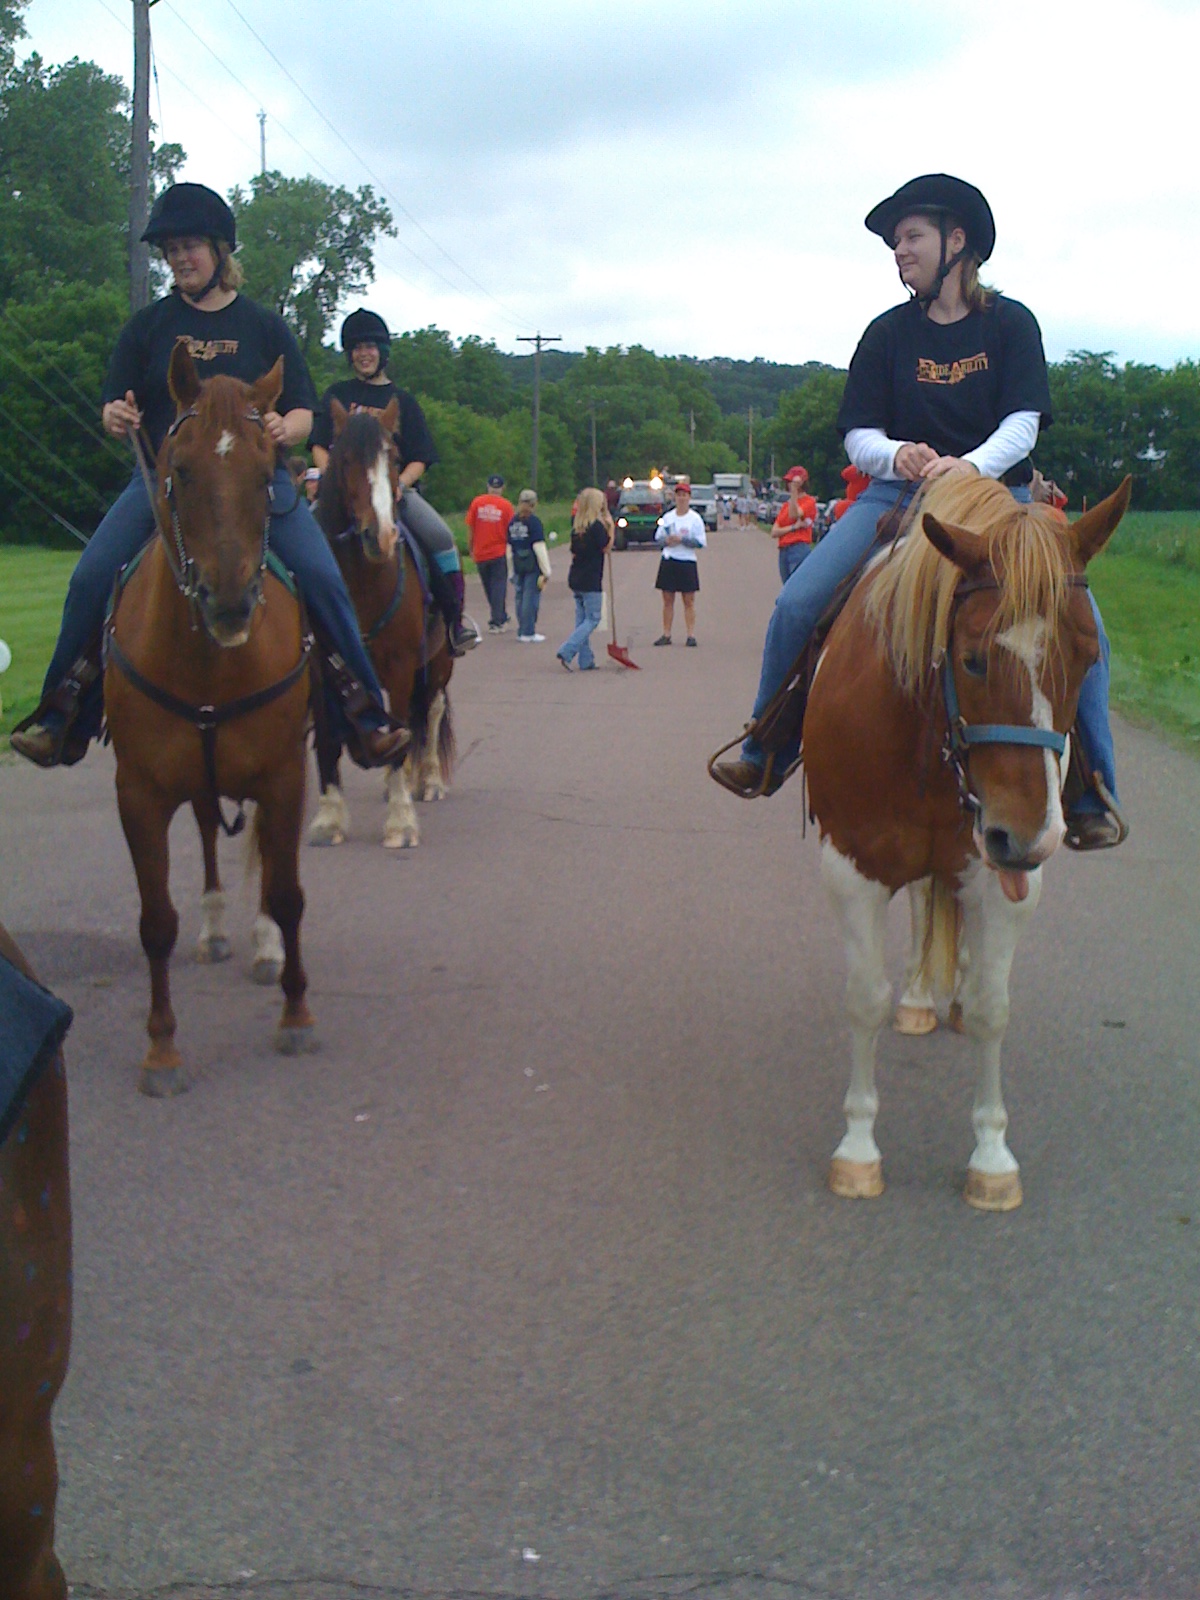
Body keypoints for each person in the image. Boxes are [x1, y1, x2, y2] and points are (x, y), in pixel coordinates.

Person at [709, 172, 1126, 850]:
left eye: (911, 237)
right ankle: (767, 743)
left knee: (1089, 634)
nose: (898, 251)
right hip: (897, 495)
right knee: (798, 602)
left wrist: (970, 466)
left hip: (1000, 502)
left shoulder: (1011, 324)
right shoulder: (887, 334)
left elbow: (1023, 424)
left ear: (956, 242)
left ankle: (1091, 789)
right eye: (896, 241)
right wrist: (896, 452)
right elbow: (857, 434)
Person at [10, 183, 405, 770]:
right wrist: (113, 416)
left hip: (257, 486)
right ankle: (61, 712)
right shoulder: (146, 327)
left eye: (190, 246)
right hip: (168, 486)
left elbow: (301, 410)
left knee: (322, 577)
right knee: (91, 575)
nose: (179, 259)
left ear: (221, 251)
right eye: (170, 250)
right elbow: (112, 404)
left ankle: (365, 715)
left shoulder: (264, 327)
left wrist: (284, 429)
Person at [310, 308, 479, 655]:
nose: (363, 354)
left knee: (441, 538)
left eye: (370, 346)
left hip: (393, 492)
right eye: (356, 348)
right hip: (343, 495)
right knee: (300, 540)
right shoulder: (335, 395)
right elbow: (317, 444)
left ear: (383, 352)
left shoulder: (402, 401)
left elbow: (420, 456)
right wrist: (330, 480)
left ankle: (453, 620)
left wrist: (399, 484)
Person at [557, 487, 613, 671]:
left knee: (582, 620)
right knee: (593, 618)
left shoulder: (577, 527)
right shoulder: (596, 527)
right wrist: (610, 527)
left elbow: (574, 552)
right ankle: (567, 649)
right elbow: (606, 546)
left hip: (577, 576)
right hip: (591, 579)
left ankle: (586, 659)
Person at [653, 479, 706, 646]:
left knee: (688, 601)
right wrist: (667, 540)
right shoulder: (667, 518)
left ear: (689, 497)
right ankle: (666, 634)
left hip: (687, 561)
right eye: (679, 495)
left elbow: (700, 543)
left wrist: (682, 539)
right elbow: (657, 539)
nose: (681, 498)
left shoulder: (695, 519)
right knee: (667, 600)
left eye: (684, 495)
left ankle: (690, 634)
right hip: (669, 560)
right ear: (675, 498)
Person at [465, 474, 514, 632]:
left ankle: (500, 615)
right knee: (498, 587)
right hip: (498, 552)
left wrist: (470, 548)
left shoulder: (477, 503)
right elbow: (511, 530)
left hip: (481, 552)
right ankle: (497, 621)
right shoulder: (506, 506)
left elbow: (471, 528)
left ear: (488, 487)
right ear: (502, 488)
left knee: (489, 587)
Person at [507, 488, 551, 642]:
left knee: (519, 597)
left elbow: (509, 547)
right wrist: (546, 571)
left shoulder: (513, 522)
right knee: (530, 598)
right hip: (532, 565)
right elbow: (539, 547)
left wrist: (510, 571)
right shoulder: (534, 522)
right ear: (534, 504)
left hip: (517, 563)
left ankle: (521, 630)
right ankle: (528, 631)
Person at [770, 465, 818, 584]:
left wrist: (794, 492)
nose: (789, 484)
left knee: (796, 585)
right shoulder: (786, 505)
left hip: (798, 547)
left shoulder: (809, 502)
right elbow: (774, 531)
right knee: (786, 587)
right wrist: (793, 527)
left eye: (792, 482)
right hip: (784, 549)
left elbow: (794, 514)